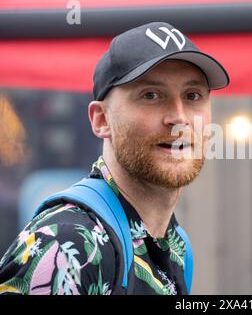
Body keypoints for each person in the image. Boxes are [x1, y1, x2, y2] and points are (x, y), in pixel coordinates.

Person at [0, 21, 229, 295]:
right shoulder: (65, 243)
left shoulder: (175, 245)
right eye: (151, 95)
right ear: (101, 120)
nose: (179, 118)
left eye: (193, 96)